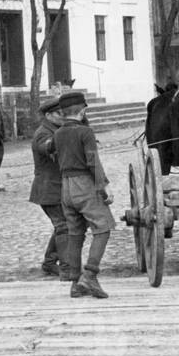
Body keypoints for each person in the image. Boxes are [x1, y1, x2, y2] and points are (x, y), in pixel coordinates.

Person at [53, 90, 115, 299]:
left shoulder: (58, 133)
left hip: (65, 187)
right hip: (83, 184)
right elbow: (92, 161)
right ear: (82, 110)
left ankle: (75, 282)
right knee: (103, 227)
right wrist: (104, 186)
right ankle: (90, 275)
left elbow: (49, 151)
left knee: (75, 233)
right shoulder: (85, 132)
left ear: (62, 113)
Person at [30, 97, 67, 278]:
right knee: (63, 225)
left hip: (57, 188)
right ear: (48, 115)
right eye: (60, 114)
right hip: (48, 189)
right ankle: (57, 264)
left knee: (63, 225)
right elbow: (48, 147)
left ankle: (50, 261)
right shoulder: (43, 133)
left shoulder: (56, 129)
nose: (64, 117)